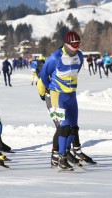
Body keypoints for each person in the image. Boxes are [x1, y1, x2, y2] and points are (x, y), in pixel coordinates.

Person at [39, 31, 92, 171]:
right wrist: (50, 88)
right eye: (74, 44)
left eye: (78, 44)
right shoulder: (55, 57)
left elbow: (76, 71)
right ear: (67, 44)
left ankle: (66, 152)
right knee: (64, 127)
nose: (77, 47)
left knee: (74, 128)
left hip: (71, 95)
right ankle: (61, 157)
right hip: (58, 96)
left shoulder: (79, 56)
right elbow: (44, 75)